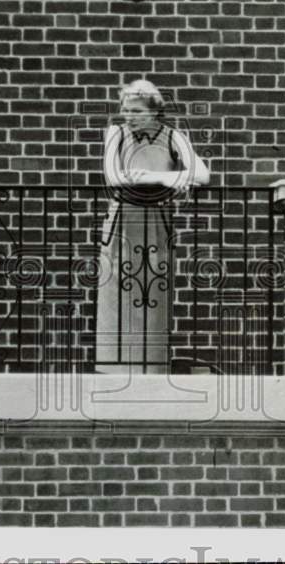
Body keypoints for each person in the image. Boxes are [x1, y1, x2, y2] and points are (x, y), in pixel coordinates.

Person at [96, 79, 210, 374]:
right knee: (117, 295)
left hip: (157, 223)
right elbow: (114, 177)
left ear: (154, 112)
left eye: (135, 111)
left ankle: (152, 370)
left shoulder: (174, 137)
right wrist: (168, 178)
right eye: (125, 110)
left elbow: (202, 175)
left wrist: (154, 177)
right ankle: (112, 371)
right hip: (122, 222)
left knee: (152, 297)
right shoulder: (116, 134)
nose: (128, 116)